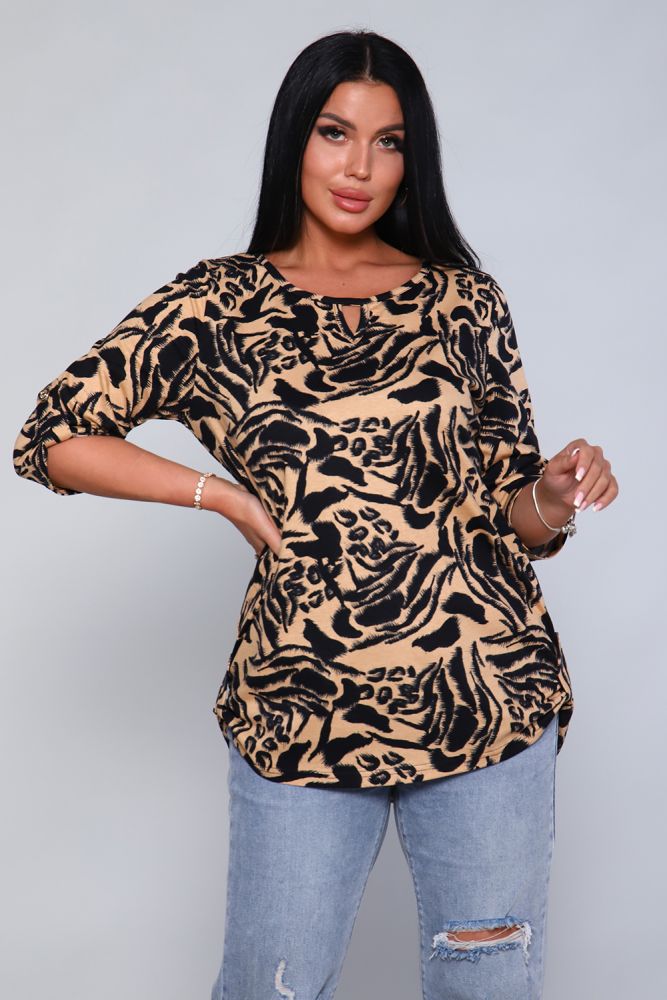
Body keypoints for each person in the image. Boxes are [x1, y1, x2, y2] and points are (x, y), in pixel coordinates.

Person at [13, 27, 618, 1000]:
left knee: (487, 987)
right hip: (301, 705)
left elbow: (514, 517)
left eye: (389, 142)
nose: (359, 167)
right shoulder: (217, 304)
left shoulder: (464, 300)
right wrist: (219, 494)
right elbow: (52, 436)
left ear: (412, 159)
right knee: (270, 985)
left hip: (485, 698)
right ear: (294, 136)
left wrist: (549, 496)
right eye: (335, 132)